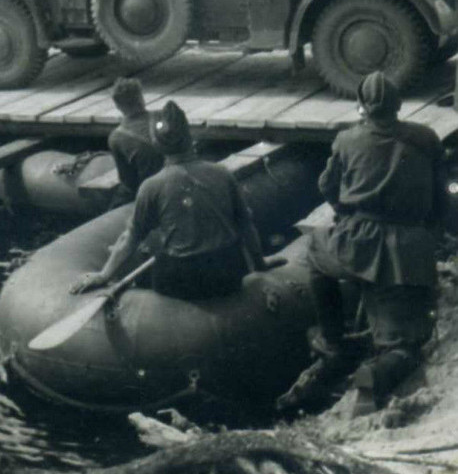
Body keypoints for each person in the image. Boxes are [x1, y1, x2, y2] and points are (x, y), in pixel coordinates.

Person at [278, 71, 445, 415]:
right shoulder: (427, 138)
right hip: (407, 252)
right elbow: (440, 201)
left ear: (362, 107)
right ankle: (375, 374)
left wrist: (346, 213)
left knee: (313, 249)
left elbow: (328, 187)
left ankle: (334, 339)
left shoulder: (346, 140)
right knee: (404, 347)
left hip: (356, 245)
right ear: (398, 105)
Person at [71, 100, 268, 300]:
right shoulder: (223, 174)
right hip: (228, 276)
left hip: (182, 281)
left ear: (157, 143)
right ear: (189, 136)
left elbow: (131, 237)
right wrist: (260, 264)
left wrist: (104, 274)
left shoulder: (151, 186)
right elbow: (246, 225)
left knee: (153, 261)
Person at [107, 77, 164, 208]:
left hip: (154, 189)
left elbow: (128, 182)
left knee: (115, 205)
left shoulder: (116, 137)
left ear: (117, 106)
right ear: (141, 99)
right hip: (181, 172)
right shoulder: (163, 116)